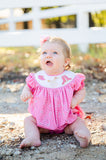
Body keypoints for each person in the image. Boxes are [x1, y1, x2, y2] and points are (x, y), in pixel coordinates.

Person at [20, 36, 90, 149]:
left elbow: (81, 90)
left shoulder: (70, 78)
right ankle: (33, 137)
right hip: (42, 121)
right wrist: (26, 92)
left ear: (66, 61)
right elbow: (28, 86)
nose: (48, 55)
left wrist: (75, 100)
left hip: (67, 120)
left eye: (55, 52)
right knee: (28, 120)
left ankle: (83, 134)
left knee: (78, 122)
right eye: (44, 52)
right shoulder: (37, 78)